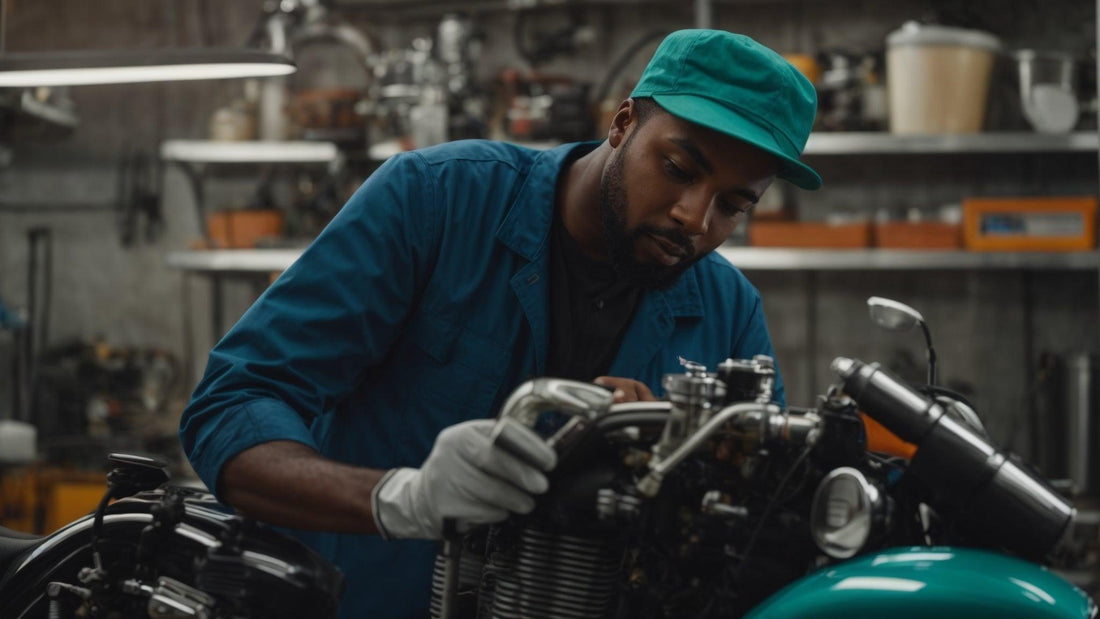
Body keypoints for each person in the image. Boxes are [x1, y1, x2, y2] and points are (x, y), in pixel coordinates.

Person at [179, 28, 821, 619]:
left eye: (733, 204)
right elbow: (233, 404)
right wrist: (402, 498)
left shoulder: (729, 313)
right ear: (623, 124)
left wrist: (666, 474)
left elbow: (751, 529)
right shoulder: (435, 201)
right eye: (680, 169)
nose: (694, 217)